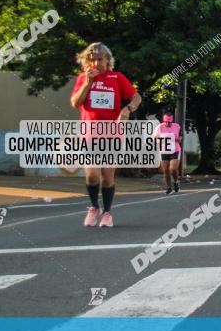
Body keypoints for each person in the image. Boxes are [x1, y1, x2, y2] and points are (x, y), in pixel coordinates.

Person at [70, 42, 142, 228]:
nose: (95, 64)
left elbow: (136, 97)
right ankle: (94, 207)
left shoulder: (117, 78)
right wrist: (87, 83)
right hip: (90, 134)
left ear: (108, 60)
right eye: (91, 60)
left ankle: (108, 212)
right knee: (92, 175)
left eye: (99, 60)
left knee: (107, 175)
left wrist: (127, 109)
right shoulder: (83, 78)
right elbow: (75, 103)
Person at [155, 113, 182, 195]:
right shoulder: (159, 127)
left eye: (169, 122)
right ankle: (169, 187)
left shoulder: (177, 127)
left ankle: (176, 182)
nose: (167, 124)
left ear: (172, 121)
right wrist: (161, 138)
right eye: (165, 122)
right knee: (165, 170)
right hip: (164, 150)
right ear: (164, 121)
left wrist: (176, 138)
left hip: (175, 149)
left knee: (173, 169)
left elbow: (180, 139)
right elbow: (154, 137)